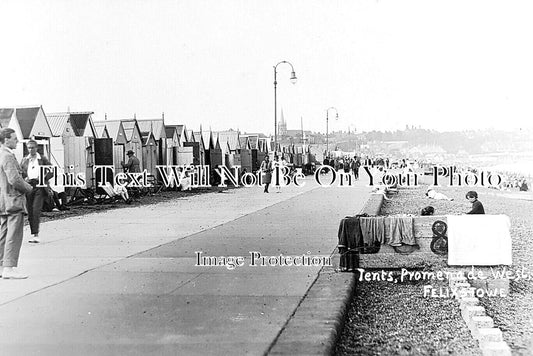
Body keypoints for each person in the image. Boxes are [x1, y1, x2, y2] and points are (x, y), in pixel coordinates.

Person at [0, 128, 33, 279]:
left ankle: (2, 266)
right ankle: (9, 268)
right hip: (13, 200)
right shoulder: (8, 156)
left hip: (3, 201)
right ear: (6, 140)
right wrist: (28, 188)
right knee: (14, 234)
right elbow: (14, 179)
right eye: (14, 138)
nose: (17, 141)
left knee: (4, 234)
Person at [20, 139, 54, 243]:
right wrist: (24, 178)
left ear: (36, 148)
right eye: (29, 148)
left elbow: (52, 171)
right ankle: (33, 233)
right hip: (29, 186)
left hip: (40, 186)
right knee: (30, 211)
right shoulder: (24, 160)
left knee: (36, 209)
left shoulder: (42, 159)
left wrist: (44, 178)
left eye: (32, 147)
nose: (30, 150)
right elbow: (21, 172)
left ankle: (36, 234)